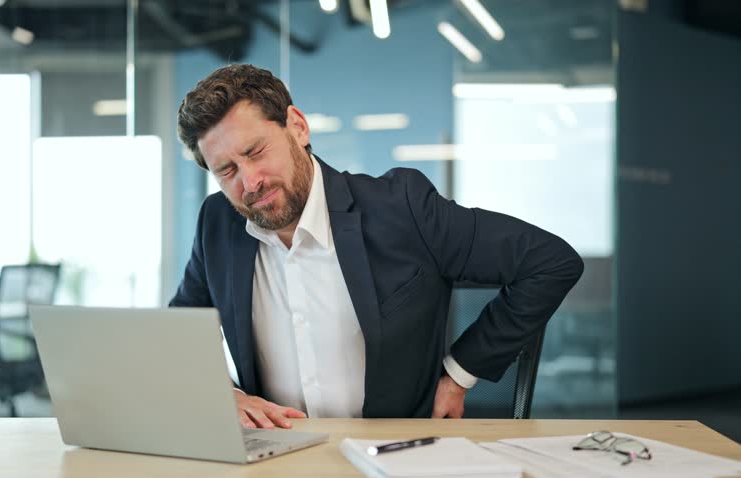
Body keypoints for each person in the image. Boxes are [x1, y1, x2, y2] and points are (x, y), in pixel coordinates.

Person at [171, 64, 583, 429]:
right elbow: (179, 333)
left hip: (395, 455)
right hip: (278, 457)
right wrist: (226, 395)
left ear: (297, 126)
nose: (250, 181)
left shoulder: (401, 207)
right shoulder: (218, 223)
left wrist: (460, 373)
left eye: (256, 152)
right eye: (227, 170)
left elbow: (549, 262)